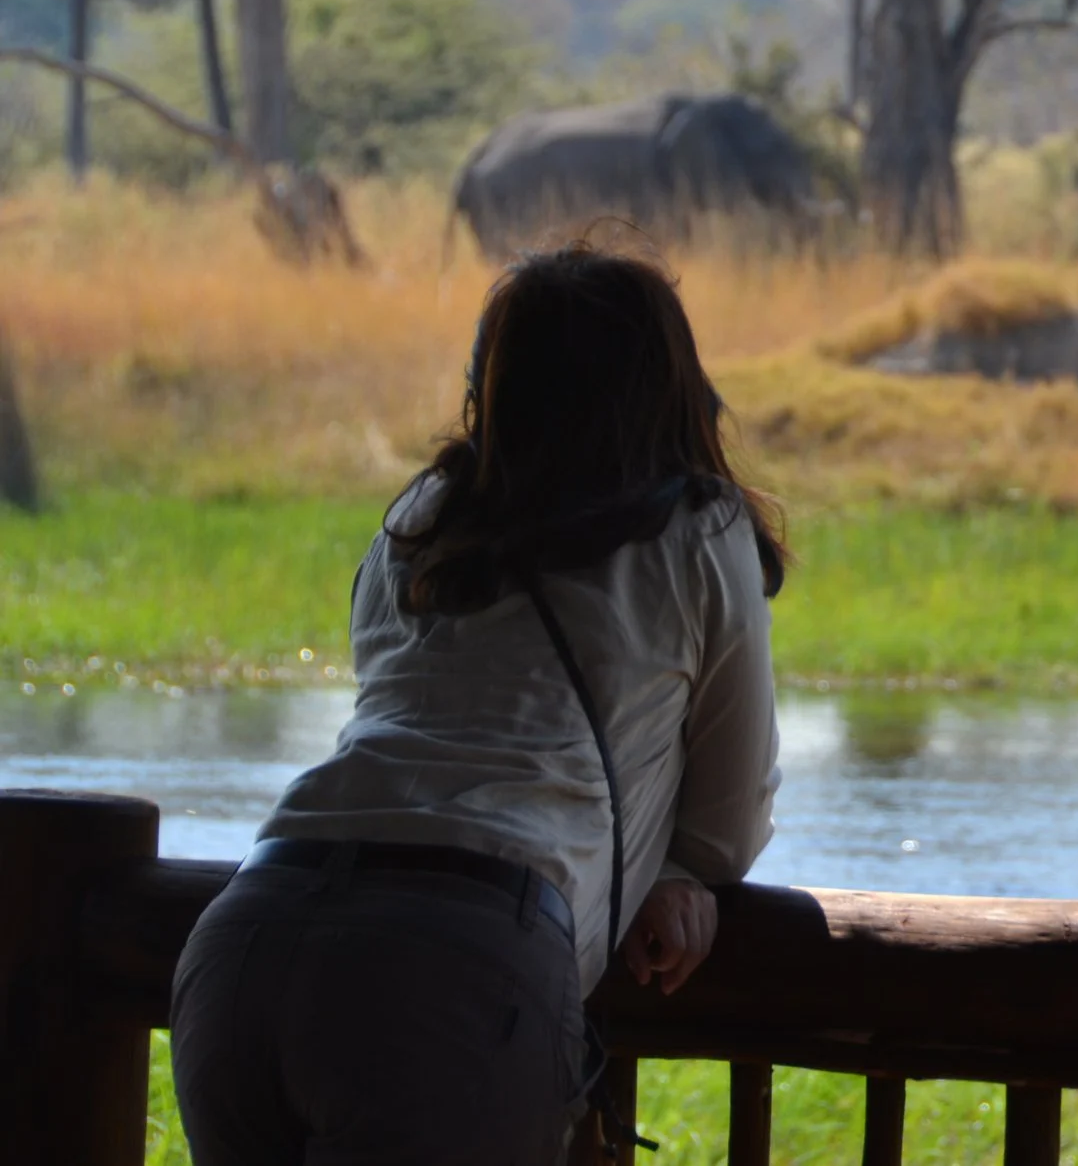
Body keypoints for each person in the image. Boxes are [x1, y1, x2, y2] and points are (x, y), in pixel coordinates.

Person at [169, 243, 785, 1164]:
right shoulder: (697, 526)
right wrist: (681, 873)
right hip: (456, 975)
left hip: (251, 931)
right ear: (672, 385)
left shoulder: (418, 517)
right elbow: (729, 822)